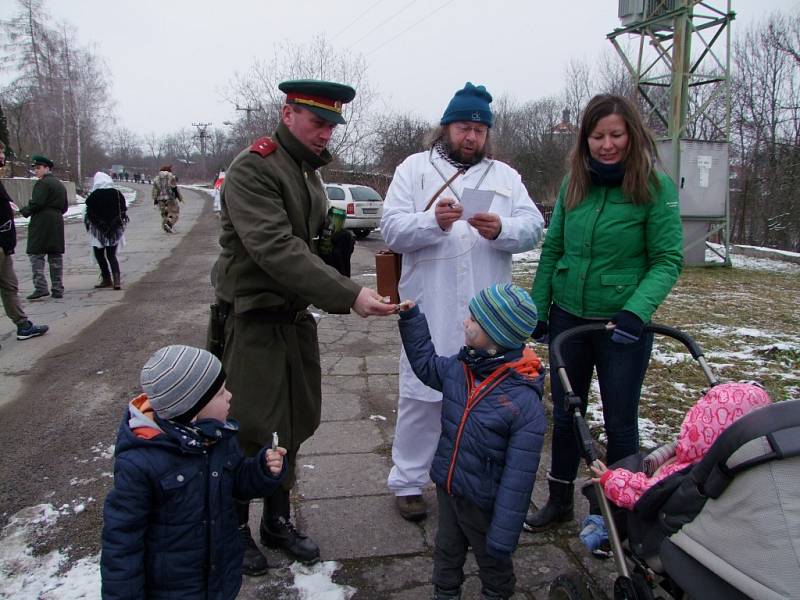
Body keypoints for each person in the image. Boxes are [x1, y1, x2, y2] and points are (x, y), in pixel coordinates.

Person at [210, 78, 398, 574]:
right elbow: (274, 247)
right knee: (249, 427)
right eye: (318, 122)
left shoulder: (307, 172)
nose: (325, 135)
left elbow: (304, 243)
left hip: (293, 320)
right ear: (288, 112)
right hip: (253, 321)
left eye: (332, 126)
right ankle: (235, 527)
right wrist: (348, 293)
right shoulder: (254, 166)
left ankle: (276, 520)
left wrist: (332, 255)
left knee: (293, 422)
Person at [381, 82, 544, 521]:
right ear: (446, 127)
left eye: (478, 129)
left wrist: (502, 230)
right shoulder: (414, 169)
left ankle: (475, 482)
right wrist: (431, 221)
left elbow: (533, 227)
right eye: (462, 127)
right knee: (421, 396)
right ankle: (409, 481)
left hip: (489, 317)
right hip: (430, 305)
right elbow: (392, 228)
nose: (470, 137)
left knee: (487, 402)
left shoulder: (505, 176)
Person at [524, 94, 684, 531]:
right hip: (568, 318)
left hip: (622, 326)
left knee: (619, 421)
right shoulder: (574, 183)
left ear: (631, 134)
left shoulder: (654, 187)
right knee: (565, 414)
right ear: (585, 139)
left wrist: (636, 311)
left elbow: (667, 259)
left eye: (616, 134)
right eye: (598, 136)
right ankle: (559, 500)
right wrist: (540, 309)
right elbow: (553, 246)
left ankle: (612, 513)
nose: (607, 144)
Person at [101, 345, 287, 599]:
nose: (230, 396)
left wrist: (263, 469)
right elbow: (122, 543)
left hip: (220, 576)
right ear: (192, 408)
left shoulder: (218, 437)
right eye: (221, 393)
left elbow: (238, 482)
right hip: (175, 589)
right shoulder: (141, 464)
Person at [397, 284, 545, 600]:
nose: (466, 322)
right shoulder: (461, 367)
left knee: (492, 561)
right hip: (449, 488)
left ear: (496, 337)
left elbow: (519, 479)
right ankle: (445, 593)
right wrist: (412, 320)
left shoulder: (523, 403)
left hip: (485, 503)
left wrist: (505, 533)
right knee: (446, 551)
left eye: (474, 320)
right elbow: (426, 366)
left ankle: (496, 593)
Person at [590, 382, 771, 510]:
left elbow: (646, 493)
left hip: (670, 532)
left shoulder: (690, 471)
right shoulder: (756, 465)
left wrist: (611, 478)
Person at [0, 141, 49, 347]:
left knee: (9, 286)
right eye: (0, 152)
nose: (3, 156)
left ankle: (22, 325)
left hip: (4, 245)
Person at [20, 154, 68, 300]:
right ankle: (57, 288)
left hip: (41, 221)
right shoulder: (59, 184)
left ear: (47, 168)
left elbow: (37, 203)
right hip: (56, 220)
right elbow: (65, 206)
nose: (36, 171)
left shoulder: (43, 183)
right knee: (55, 255)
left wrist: (24, 210)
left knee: (36, 254)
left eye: (39, 168)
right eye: (35, 168)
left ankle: (40, 287)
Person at [84, 171, 128, 290]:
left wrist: (96, 224)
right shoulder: (117, 194)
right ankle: (117, 280)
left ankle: (106, 278)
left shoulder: (93, 196)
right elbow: (123, 209)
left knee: (99, 255)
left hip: (98, 231)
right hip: (114, 230)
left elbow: (89, 212)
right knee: (111, 255)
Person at [151, 164, 182, 233]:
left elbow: (155, 191)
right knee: (174, 212)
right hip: (170, 198)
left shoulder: (156, 178)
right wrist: (179, 197)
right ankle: (169, 224)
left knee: (164, 214)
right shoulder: (171, 176)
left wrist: (155, 201)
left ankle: (166, 227)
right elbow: (174, 188)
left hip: (160, 199)